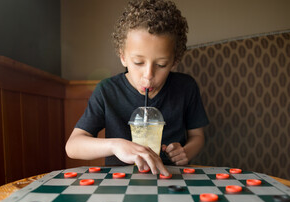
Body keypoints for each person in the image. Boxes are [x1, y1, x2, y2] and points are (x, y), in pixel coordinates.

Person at [65, 0, 209, 176]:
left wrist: (186, 152)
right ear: (123, 56)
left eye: (162, 64)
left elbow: (198, 137)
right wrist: (115, 145)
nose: (148, 74)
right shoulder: (107, 91)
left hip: (173, 178)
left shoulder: (186, 87)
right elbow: (73, 146)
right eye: (138, 62)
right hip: (120, 182)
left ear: (175, 60)